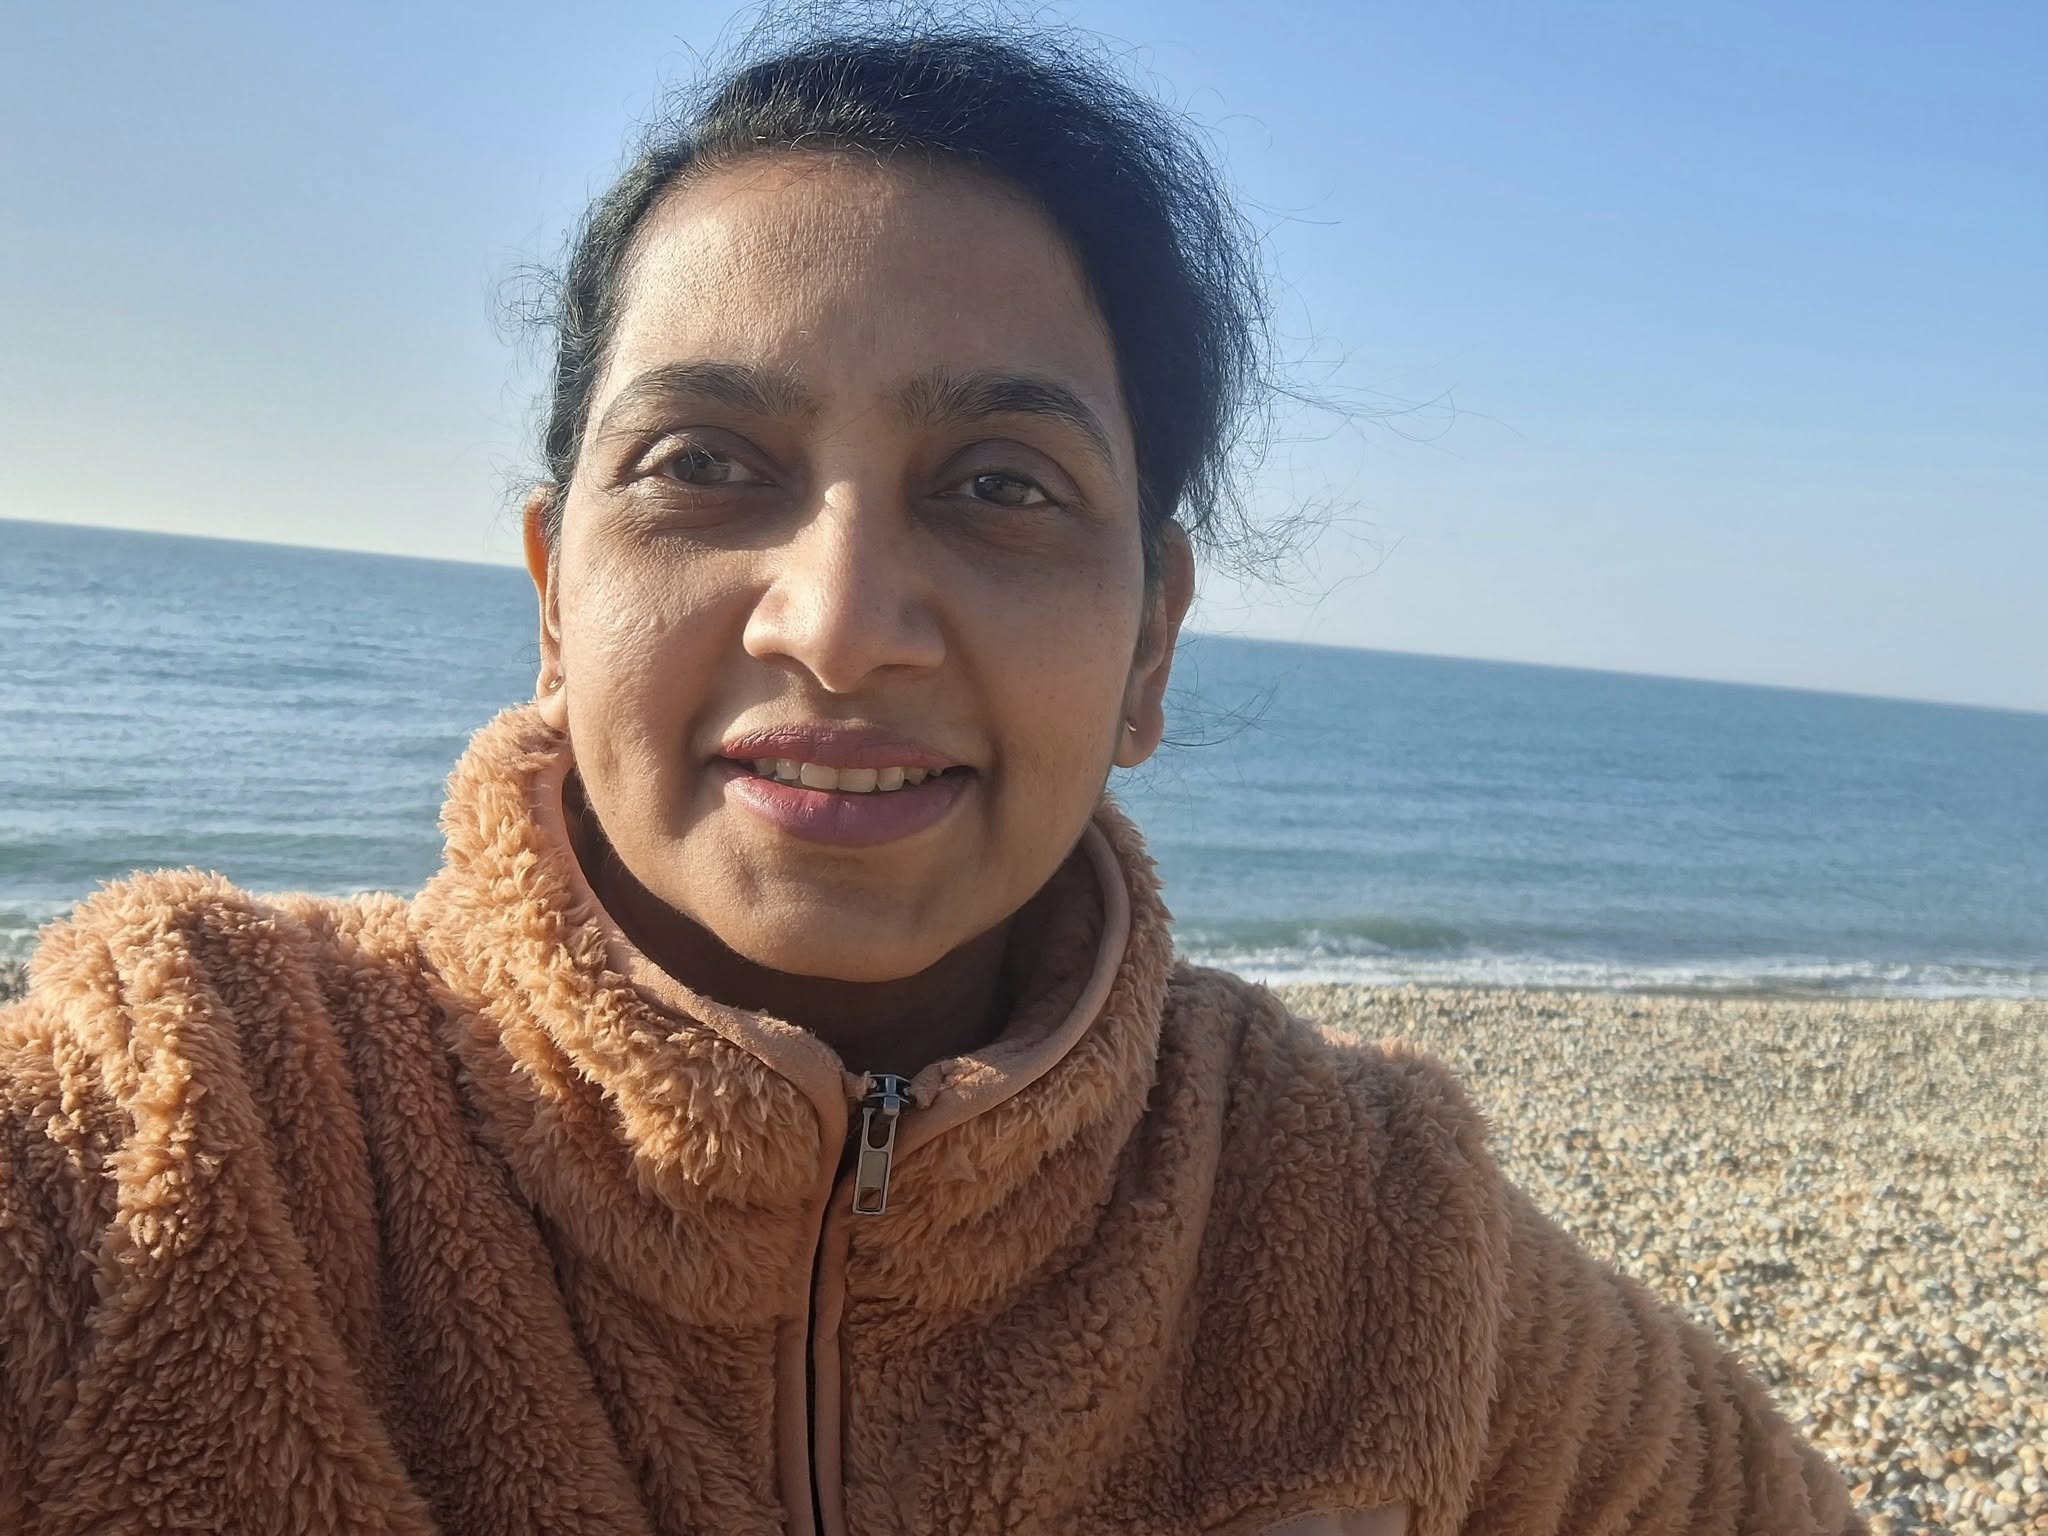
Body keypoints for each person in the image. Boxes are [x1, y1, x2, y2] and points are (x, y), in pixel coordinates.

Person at [0, 20, 1863, 1536]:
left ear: (1151, 645)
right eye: (705, 461)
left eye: (999, 486)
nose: (839, 624)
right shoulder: (184, 1125)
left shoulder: (1362, 1229)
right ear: (558, 597)